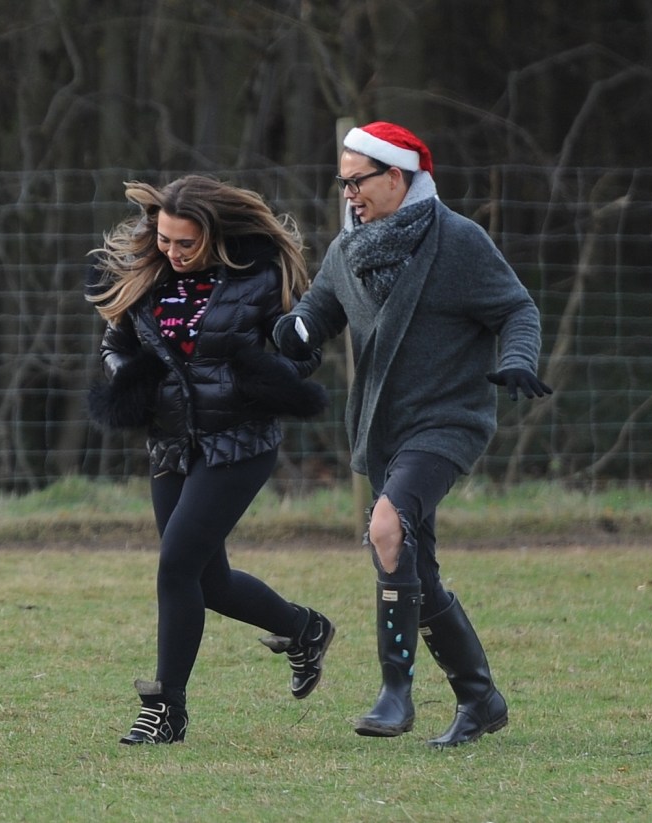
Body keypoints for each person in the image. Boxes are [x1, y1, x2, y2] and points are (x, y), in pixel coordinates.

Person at [273, 122, 552, 746]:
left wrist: (519, 359)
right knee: (409, 560)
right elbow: (316, 316)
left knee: (385, 526)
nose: (348, 193)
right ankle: (480, 699)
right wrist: (285, 335)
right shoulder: (348, 251)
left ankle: (395, 693)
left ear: (395, 176)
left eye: (357, 181)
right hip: (384, 431)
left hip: (450, 420)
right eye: (341, 182)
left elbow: (516, 309)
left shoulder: (458, 240)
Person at [85, 174, 335, 745]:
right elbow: (116, 346)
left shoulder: (262, 278)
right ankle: (305, 629)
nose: (172, 254)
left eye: (186, 243)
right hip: (172, 441)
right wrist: (130, 380)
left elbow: (304, 349)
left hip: (239, 441)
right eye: (166, 240)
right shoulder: (145, 275)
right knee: (210, 582)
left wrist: (265, 378)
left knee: (175, 564)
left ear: (215, 234)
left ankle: (166, 710)